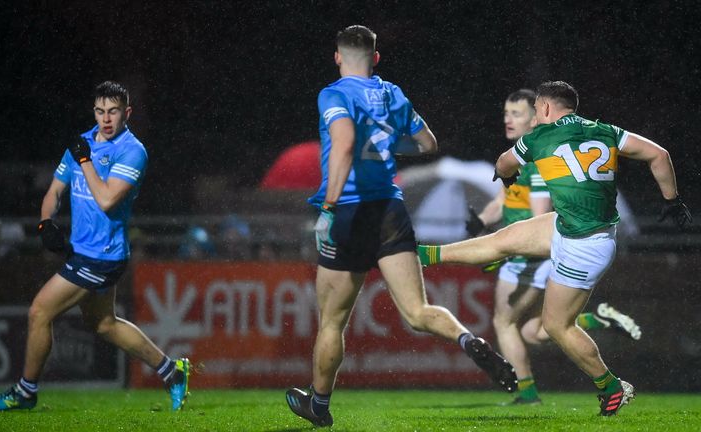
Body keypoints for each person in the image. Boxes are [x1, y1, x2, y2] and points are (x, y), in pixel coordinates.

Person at [285, 25, 518, 428]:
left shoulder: (334, 94)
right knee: (417, 311)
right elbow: (428, 144)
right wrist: (387, 146)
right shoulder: (393, 93)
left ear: (338, 57)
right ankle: (469, 340)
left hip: (351, 212)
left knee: (332, 321)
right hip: (390, 210)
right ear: (375, 59)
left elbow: (342, 145)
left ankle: (318, 405)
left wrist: (328, 207)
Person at [418, 81, 691, 416]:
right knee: (505, 240)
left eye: (534, 110)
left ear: (545, 107)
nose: (535, 115)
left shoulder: (539, 137)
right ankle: (425, 255)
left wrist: (506, 180)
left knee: (555, 327)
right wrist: (673, 201)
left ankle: (611, 387)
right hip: (576, 226)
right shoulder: (605, 130)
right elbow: (659, 155)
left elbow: (503, 164)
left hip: (583, 244)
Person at [0, 81, 192, 411]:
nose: (106, 119)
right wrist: (46, 222)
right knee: (103, 324)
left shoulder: (132, 151)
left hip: (103, 256)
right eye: (100, 111)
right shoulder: (82, 143)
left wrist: (88, 161)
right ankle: (173, 371)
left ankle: (25, 392)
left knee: (39, 311)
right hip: (83, 252)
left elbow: (106, 200)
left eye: (113, 112)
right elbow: (53, 192)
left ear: (127, 113)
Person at [460, 89, 641, 405]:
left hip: (536, 251)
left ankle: (527, 393)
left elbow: (541, 215)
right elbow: (504, 199)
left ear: (537, 115)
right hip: (534, 248)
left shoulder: (542, 153)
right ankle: (595, 320)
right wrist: (483, 222)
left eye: (516, 113)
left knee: (506, 322)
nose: (508, 119)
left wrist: (505, 248)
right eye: (505, 113)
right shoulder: (526, 154)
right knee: (537, 330)